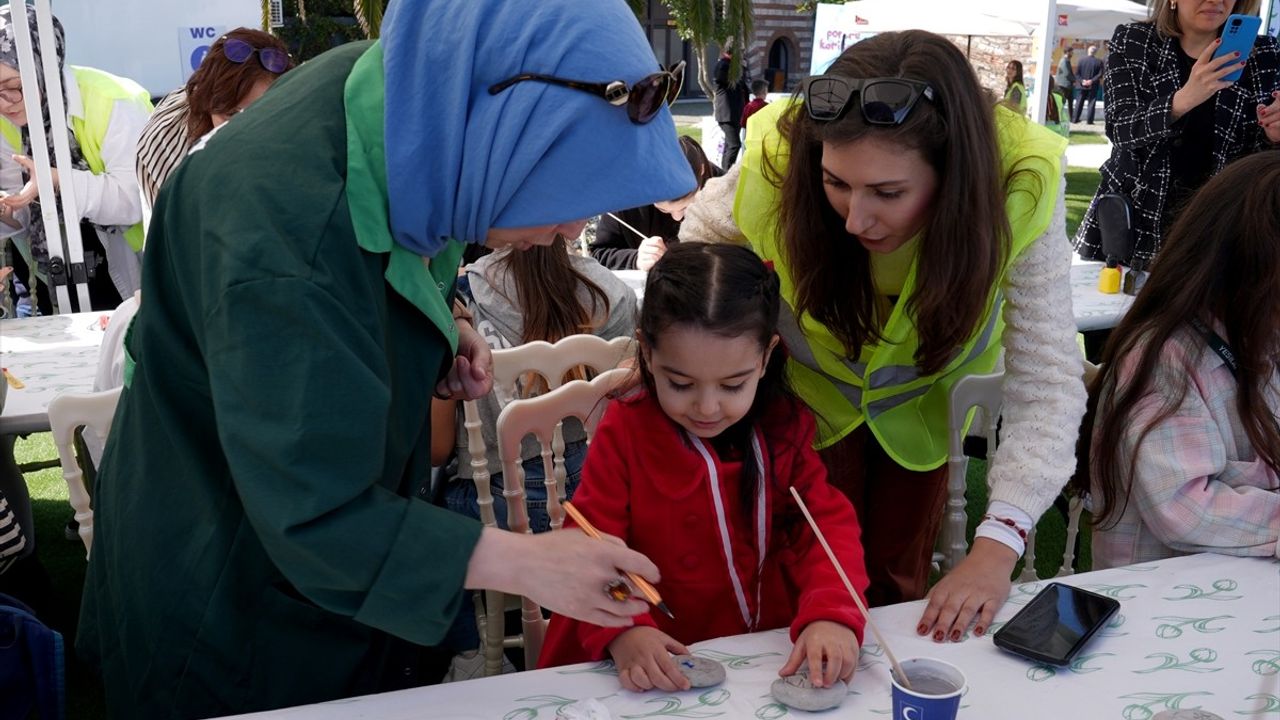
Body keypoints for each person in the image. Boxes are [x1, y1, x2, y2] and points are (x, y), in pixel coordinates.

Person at [76, 0, 698, 715]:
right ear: (503, 129)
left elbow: (407, 233)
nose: (569, 230)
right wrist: (528, 562)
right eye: (567, 196)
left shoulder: (409, 99)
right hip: (228, 602)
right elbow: (315, 511)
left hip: (320, 574)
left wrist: (447, 313)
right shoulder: (282, 240)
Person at [681, 30, 1086, 640]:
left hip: (916, 414)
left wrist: (998, 545)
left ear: (955, 178)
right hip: (805, 410)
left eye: (888, 193)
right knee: (800, 583)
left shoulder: (1019, 183)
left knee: (899, 587)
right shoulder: (779, 153)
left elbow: (1049, 379)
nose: (854, 219)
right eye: (836, 183)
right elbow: (699, 248)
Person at [538, 242, 869, 693]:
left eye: (734, 384)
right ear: (648, 353)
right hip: (648, 652)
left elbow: (825, 529)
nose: (708, 407)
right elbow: (591, 542)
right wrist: (624, 629)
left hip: (759, 652)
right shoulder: (628, 430)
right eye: (680, 383)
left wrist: (833, 615)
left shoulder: (783, 426)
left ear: (766, 357)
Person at [1083, 152, 1280, 569]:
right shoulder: (1164, 357)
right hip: (1160, 601)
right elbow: (1184, 510)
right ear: (1248, 272)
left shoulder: (1259, 337)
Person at [433, 235, 638, 532]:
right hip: (595, 488)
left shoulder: (463, 301)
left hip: (496, 501)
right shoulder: (614, 292)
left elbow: (437, 449)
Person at [1074, 1, 1280, 264]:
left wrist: (1273, 135)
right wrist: (1183, 100)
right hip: (1136, 221)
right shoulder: (1134, 41)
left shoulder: (1263, 54)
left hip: (1222, 224)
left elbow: (1255, 155)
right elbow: (1120, 128)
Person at [0, 6, 151, 315]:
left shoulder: (113, 100)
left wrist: (57, 181)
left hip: (138, 269)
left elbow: (136, 201)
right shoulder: (4, 121)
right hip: (57, 272)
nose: (5, 103)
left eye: (15, 87)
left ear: (45, 65)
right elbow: (22, 211)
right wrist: (7, 209)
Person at [135, 28, 294, 212]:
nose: (245, 129)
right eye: (232, 114)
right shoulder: (168, 154)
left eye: (261, 113)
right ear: (206, 103)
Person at [590, 135, 722, 270]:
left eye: (686, 207)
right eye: (664, 210)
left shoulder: (724, 191)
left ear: (702, 169)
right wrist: (635, 259)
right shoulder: (625, 197)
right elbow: (599, 254)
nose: (677, 217)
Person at [713, 45, 750, 169]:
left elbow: (744, 88)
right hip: (727, 114)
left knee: (730, 145)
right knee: (735, 145)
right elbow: (720, 77)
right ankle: (727, 172)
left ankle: (725, 170)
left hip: (735, 114)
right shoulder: (723, 65)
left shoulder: (736, 69)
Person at [1073, 45, 1106, 123]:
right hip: (1093, 86)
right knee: (1091, 103)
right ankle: (1089, 120)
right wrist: (1091, 81)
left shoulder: (1081, 60)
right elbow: (1100, 74)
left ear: (1088, 51)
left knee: (1079, 103)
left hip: (1082, 85)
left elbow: (1077, 74)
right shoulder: (1099, 61)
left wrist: (1082, 81)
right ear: (1095, 52)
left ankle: (1075, 119)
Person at [1055, 47, 1077, 112]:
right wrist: (1075, 80)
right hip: (1063, 85)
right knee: (1062, 102)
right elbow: (1067, 74)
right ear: (1067, 52)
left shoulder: (1066, 60)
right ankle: (1058, 117)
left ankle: (1072, 117)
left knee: (1070, 101)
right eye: (1071, 52)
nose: (1072, 54)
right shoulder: (1064, 61)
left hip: (1067, 85)